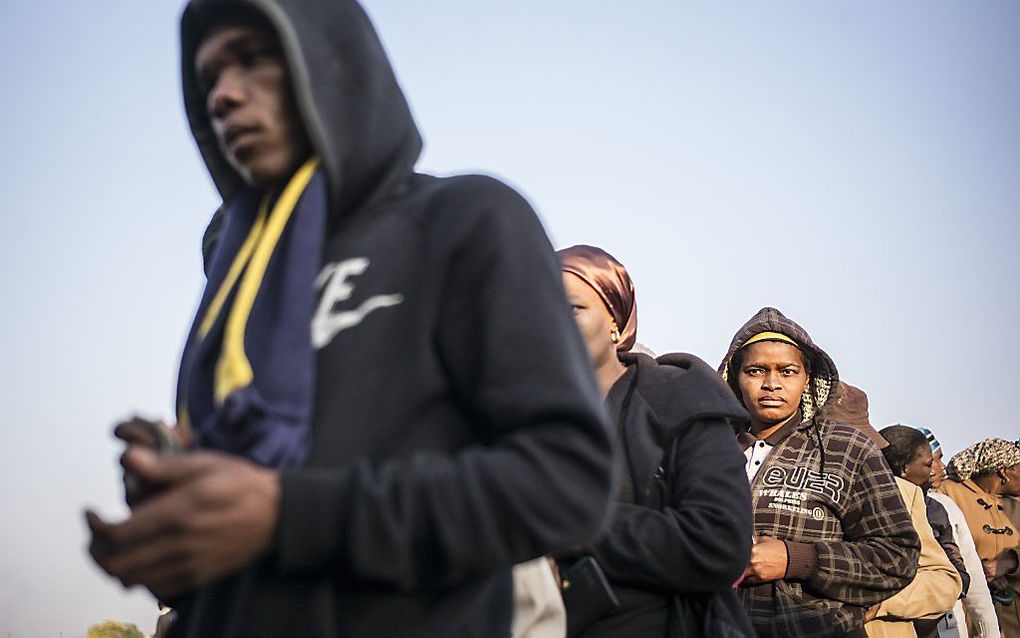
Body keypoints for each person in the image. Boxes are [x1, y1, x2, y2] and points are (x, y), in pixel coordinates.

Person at [85, 2, 617, 636]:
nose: (223, 96)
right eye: (207, 81)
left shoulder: (466, 219)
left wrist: (286, 516)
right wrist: (177, 500)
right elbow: (241, 514)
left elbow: (565, 483)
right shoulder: (235, 279)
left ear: (333, 61)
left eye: (254, 59)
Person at [557, 245, 754, 636]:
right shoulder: (511, 412)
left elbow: (720, 542)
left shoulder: (678, 400)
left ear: (616, 321)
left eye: (573, 309)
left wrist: (574, 525)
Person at [718, 307, 919, 637]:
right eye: (755, 371)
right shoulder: (710, 447)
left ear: (807, 379)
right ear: (735, 377)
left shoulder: (847, 448)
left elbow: (898, 557)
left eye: (787, 371)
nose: (771, 384)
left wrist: (797, 559)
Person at [870, 425, 963, 638]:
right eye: (929, 463)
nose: (935, 469)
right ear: (904, 468)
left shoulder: (929, 505)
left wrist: (880, 600)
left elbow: (951, 579)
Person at [919, 427, 1001, 638]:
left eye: (939, 459)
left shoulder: (946, 507)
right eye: (933, 460)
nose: (940, 467)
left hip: (952, 628)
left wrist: (989, 632)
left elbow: (975, 583)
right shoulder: (890, 506)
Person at [938, 438, 1020, 636]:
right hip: (969, 617)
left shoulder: (1016, 504)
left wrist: (1011, 562)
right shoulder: (948, 493)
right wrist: (978, 574)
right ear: (1004, 471)